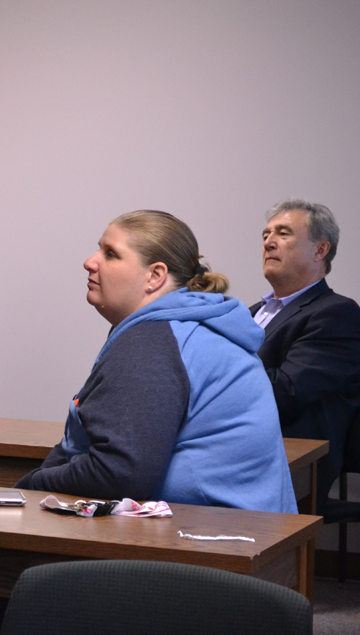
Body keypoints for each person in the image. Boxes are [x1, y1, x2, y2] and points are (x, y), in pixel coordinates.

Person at [16, 210, 297, 513]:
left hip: (214, 538)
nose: (90, 261)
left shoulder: (154, 341)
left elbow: (120, 473)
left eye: (111, 254)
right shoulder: (177, 328)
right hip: (243, 529)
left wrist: (32, 486)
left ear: (155, 276)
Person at [251, 199, 360, 511]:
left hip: (289, 459)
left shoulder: (336, 313)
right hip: (233, 447)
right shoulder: (251, 313)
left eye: (284, 233)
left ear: (320, 251)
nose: (269, 242)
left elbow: (286, 392)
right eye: (265, 235)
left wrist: (217, 368)